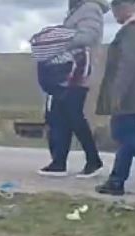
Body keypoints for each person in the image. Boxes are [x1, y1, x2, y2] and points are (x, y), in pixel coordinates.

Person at [37, 0, 108, 178]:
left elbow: (89, 36)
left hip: (78, 72)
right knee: (59, 116)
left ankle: (93, 160)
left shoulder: (89, 9)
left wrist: (57, 41)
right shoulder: (78, 10)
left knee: (73, 115)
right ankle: (59, 162)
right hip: (67, 72)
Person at [95, 0, 135, 196]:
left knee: (122, 133)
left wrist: (117, 93)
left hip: (134, 94)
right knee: (128, 137)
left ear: (124, 7)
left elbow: (128, 63)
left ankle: (116, 181)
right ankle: (116, 181)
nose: (114, 17)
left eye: (115, 12)